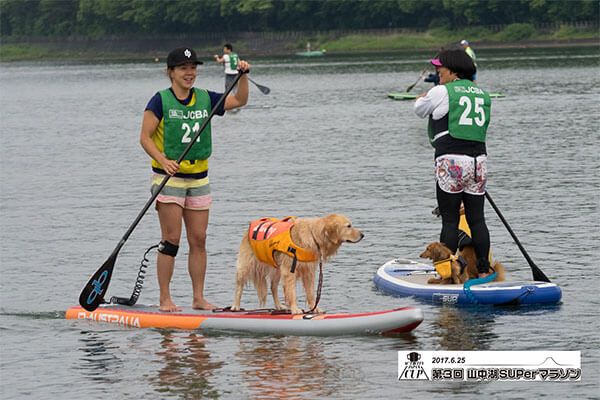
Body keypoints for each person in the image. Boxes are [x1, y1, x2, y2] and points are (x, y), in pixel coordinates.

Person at [139, 47, 250, 311]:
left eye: (193, 68)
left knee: (199, 239)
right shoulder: (159, 101)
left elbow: (240, 100)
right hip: (170, 179)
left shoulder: (205, 98)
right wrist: (163, 160)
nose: (190, 73)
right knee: (171, 239)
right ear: (171, 73)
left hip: (199, 178)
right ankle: (165, 299)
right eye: (183, 68)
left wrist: (243, 76)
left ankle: (198, 298)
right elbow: (144, 138)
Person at [414, 49, 493, 279]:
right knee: (477, 219)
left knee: (450, 219)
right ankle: (483, 269)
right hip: (479, 163)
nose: (438, 73)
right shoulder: (482, 94)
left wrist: (421, 97)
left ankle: (446, 274)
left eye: (441, 69)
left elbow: (420, 110)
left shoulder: (442, 91)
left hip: (452, 162)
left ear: (453, 70)